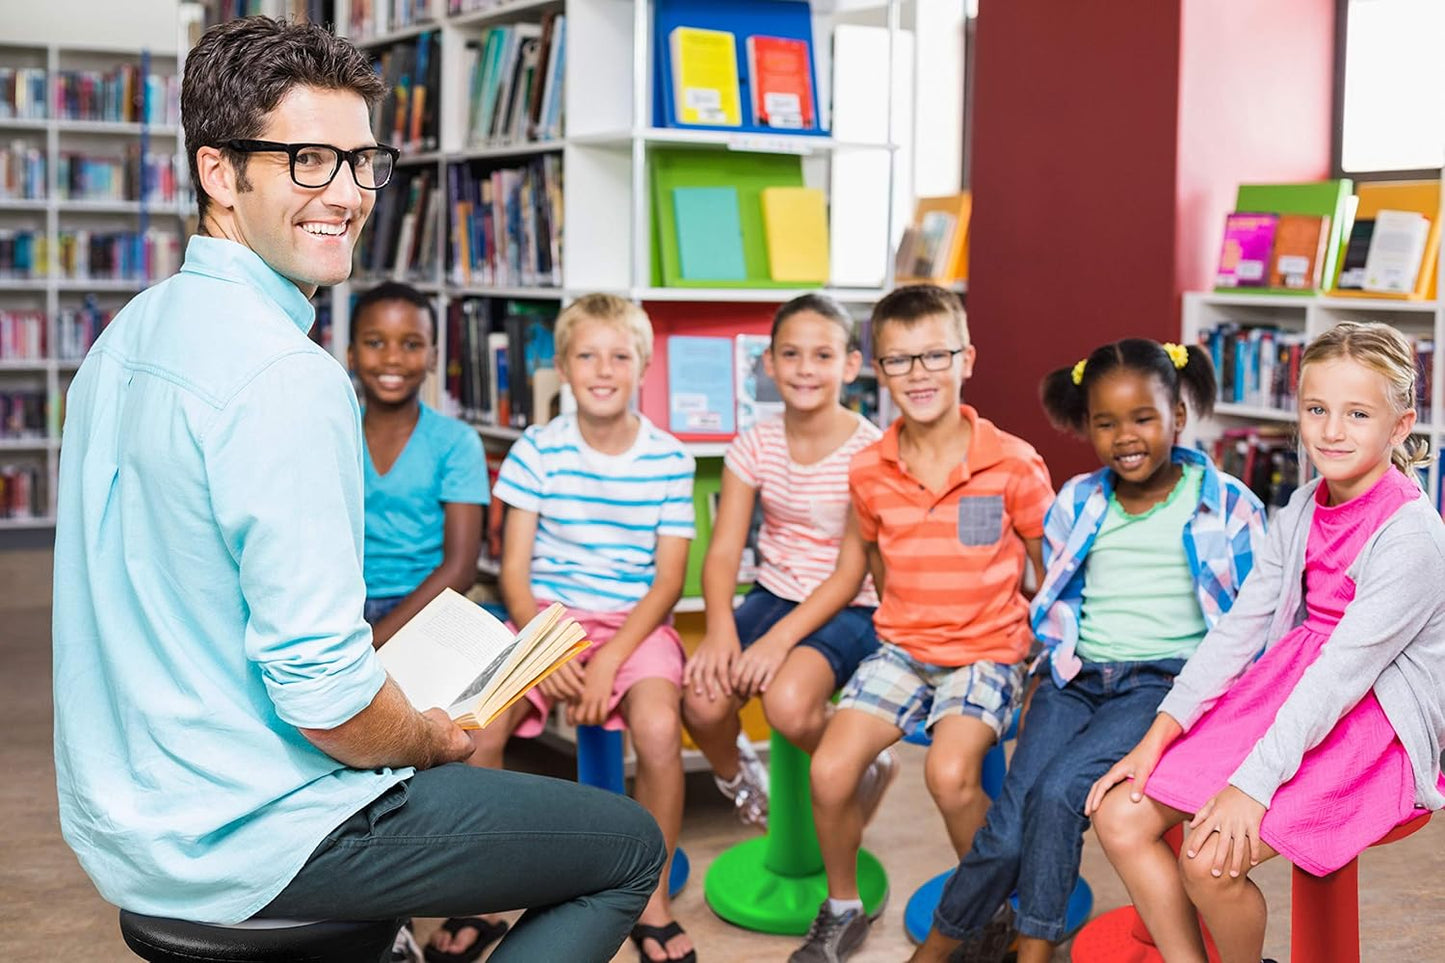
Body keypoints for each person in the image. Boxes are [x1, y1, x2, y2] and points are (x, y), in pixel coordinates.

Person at [50, 18, 664, 963]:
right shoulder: (284, 376)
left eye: (359, 160)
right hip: (255, 832)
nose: (345, 194)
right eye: (306, 160)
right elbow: (327, 701)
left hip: (131, 818)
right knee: (626, 846)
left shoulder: (128, 333)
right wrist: (427, 735)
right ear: (220, 173)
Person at [1088, 321, 1445, 963]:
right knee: (1119, 816)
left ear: (1399, 426)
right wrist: (1158, 735)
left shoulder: (1411, 536)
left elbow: (1343, 675)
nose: (1331, 431)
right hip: (1292, 686)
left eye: (1357, 413)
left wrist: (1251, 785)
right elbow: (1238, 630)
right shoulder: (1303, 505)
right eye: (1316, 409)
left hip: (1372, 714)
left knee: (1208, 860)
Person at [908, 338, 1266, 963]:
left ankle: (1034, 950)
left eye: (1143, 418)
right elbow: (1055, 598)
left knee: (1061, 791)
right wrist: (1036, 678)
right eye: (1106, 423)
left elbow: (1258, 621)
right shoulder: (1078, 500)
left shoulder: (1229, 503)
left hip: (1163, 685)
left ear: (1177, 416)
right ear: (1087, 427)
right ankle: (937, 950)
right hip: (1074, 680)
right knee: (1009, 822)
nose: (1125, 436)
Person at [790, 284, 1055, 963]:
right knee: (829, 769)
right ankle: (842, 907)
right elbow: (875, 563)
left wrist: (1046, 668)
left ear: (965, 357)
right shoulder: (869, 468)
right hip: (903, 648)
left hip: (987, 651)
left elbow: (1050, 574)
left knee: (948, 772)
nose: (917, 374)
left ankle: (990, 910)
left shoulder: (1014, 462)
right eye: (898, 360)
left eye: (932, 355)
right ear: (876, 369)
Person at [476, 293, 698, 963]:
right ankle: (484, 892)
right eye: (586, 355)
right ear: (563, 367)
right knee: (480, 732)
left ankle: (649, 894)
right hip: (547, 617)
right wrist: (549, 640)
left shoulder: (667, 457)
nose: (603, 369)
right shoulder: (537, 450)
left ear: (643, 365)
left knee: (659, 730)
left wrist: (608, 659)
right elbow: (513, 570)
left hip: (634, 624)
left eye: (620, 355)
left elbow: (667, 583)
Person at [682, 293, 893, 832]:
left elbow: (851, 576)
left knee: (789, 705)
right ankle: (744, 779)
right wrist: (721, 630)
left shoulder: (868, 453)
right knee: (704, 701)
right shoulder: (754, 445)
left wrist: (776, 643)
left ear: (850, 365)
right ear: (769, 363)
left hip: (851, 604)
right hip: (774, 593)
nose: (805, 370)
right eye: (791, 355)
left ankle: (862, 761)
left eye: (823, 356)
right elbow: (724, 548)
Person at [351, 281, 488, 646]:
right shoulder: (334, 434)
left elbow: (461, 569)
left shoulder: (457, 443)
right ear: (350, 354)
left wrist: (376, 642)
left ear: (433, 356)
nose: (392, 358)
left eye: (411, 345)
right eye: (375, 343)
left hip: (427, 611)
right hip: (342, 606)